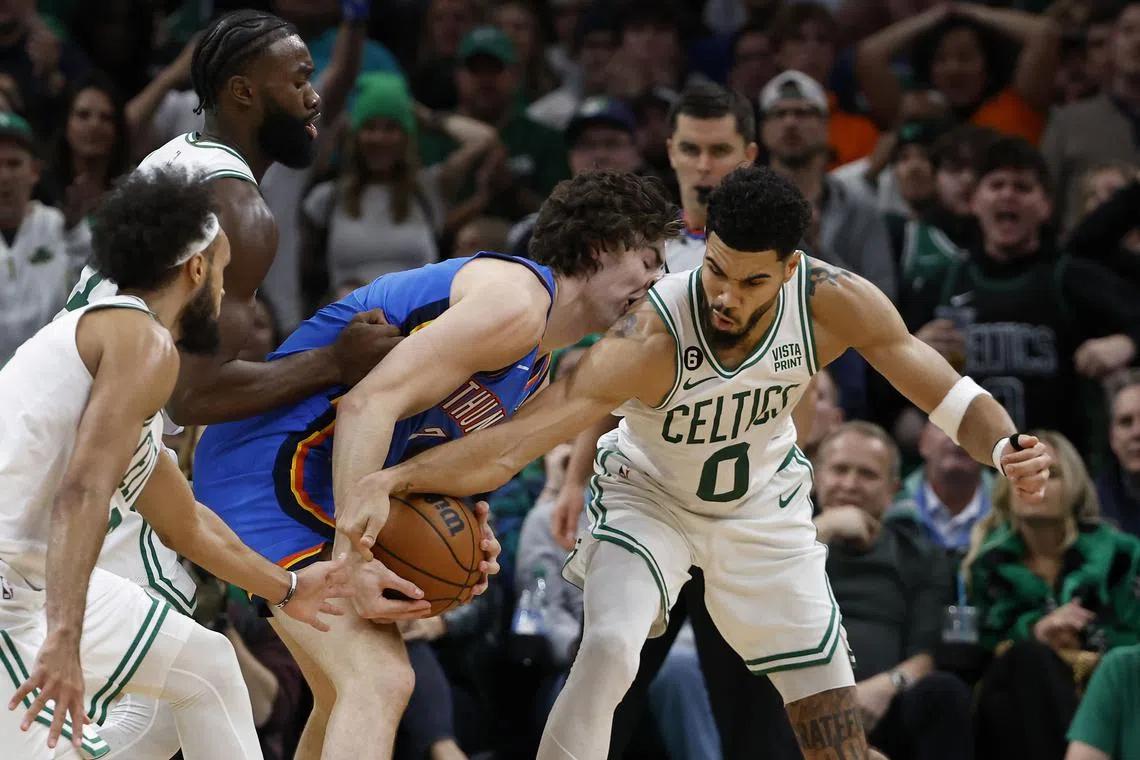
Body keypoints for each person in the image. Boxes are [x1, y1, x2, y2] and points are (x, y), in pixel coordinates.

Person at [355, 165, 1052, 760]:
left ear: (790, 268)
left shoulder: (832, 302)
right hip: (649, 497)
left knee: (831, 730)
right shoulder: (652, 330)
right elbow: (518, 439)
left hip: (761, 508)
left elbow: (940, 386)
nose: (725, 294)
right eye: (716, 269)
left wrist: (1004, 445)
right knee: (609, 650)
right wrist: (398, 478)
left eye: (751, 282)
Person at [190, 169, 679, 760]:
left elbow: (454, 457)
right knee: (379, 680)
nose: (659, 281)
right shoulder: (516, 301)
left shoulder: (538, 362)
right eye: (649, 260)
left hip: (315, 475)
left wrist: (471, 528)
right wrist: (353, 563)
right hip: (271, 464)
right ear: (601, 245)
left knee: (342, 690)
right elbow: (370, 405)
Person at [58, 12, 401, 757]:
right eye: (301, 80)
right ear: (246, 93)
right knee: (203, 675)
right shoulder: (238, 214)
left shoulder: (178, 158)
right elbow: (196, 397)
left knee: (170, 700)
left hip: (80, 435)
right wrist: (335, 362)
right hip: (95, 461)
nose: (315, 98)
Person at [0, 167, 348, 759]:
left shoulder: (119, 352)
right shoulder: (144, 341)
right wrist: (64, 636)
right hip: (11, 597)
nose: (228, 292)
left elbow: (184, 521)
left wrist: (289, 588)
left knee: (206, 668)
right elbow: (83, 489)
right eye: (225, 271)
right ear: (197, 268)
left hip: (31, 582)